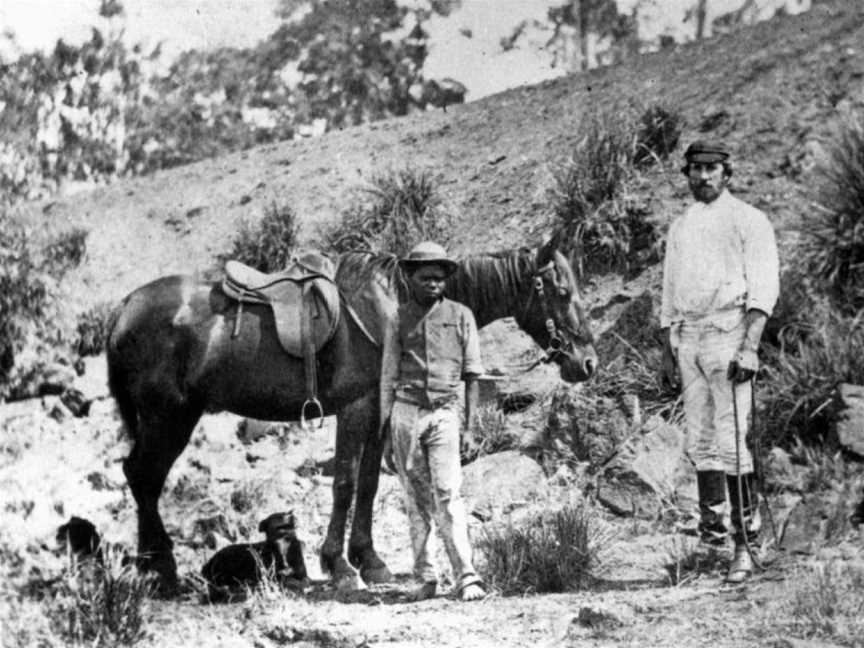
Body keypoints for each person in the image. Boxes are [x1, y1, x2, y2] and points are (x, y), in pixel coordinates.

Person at [659, 140, 779, 584]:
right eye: (695, 169)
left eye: (712, 169)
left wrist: (749, 346)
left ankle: (744, 544)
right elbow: (669, 293)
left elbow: (764, 289)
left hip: (730, 333)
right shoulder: (681, 226)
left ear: (727, 173)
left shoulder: (749, 220)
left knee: (732, 439)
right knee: (701, 440)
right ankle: (710, 540)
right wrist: (667, 350)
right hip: (688, 337)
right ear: (687, 174)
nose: (703, 177)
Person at [380, 241, 487, 602]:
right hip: (406, 413)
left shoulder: (461, 316)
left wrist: (471, 428)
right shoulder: (398, 317)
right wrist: (385, 433)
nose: (432, 285)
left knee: (448, 494)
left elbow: (473, 375)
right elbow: (387, 377)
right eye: (425, 278)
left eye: (439, 279)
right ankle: (425, 577)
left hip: (444, 414)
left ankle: (467, 575)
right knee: (414, 498)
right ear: (411, 279)